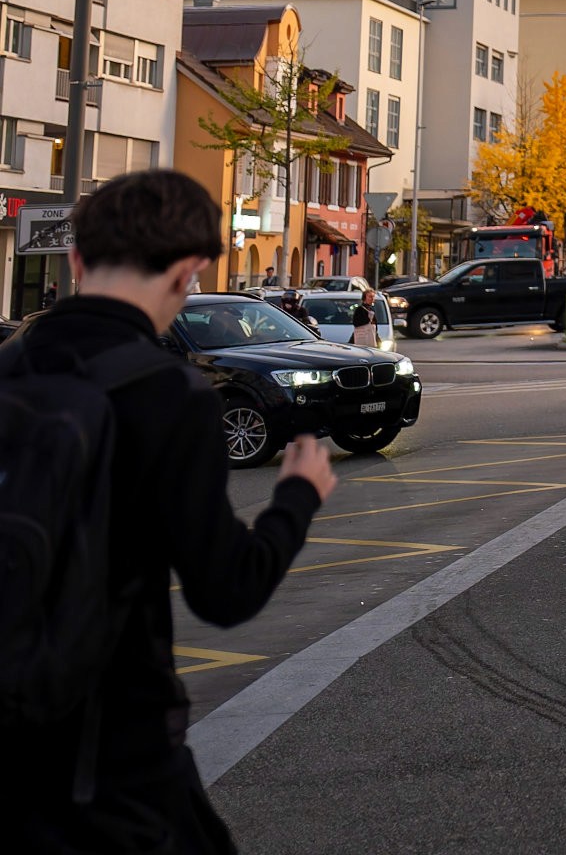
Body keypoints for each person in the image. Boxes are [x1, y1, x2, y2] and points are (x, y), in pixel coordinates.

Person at [0, 168, 333, 853]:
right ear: (187, 273)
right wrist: (297, 496)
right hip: (118, 748)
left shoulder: (10, 368)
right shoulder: (171, 394)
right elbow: (226, 590)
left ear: (77, 259)